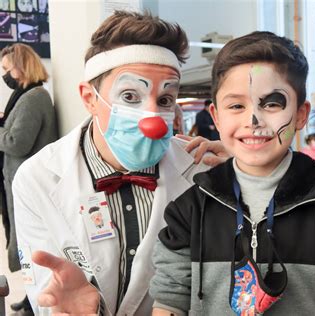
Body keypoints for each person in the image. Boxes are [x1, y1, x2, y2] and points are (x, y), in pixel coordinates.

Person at [12, 11, 224, 315]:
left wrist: (250, 169)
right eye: (130, 95)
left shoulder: (202, 170)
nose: (152, 118)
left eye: (165, 100)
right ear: (89, 98)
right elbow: (46, 292)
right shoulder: (38, 178)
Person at [150, 31, 315, 315]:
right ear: (216, 117)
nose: (253, 120)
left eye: (271, 104)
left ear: (301, 114)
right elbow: (169, 302)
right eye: (236, 106)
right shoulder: (189, 210)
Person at [0, 43, 57, 312]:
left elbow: (16, 143)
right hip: (21, 181)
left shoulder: (33, 97)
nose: (5, 75)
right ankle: (31, 295)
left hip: (28, 183)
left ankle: (36, 299)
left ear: (22, 67)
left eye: (7, 68)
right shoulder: (28, 96)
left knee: (30, 244)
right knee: (25, 243)